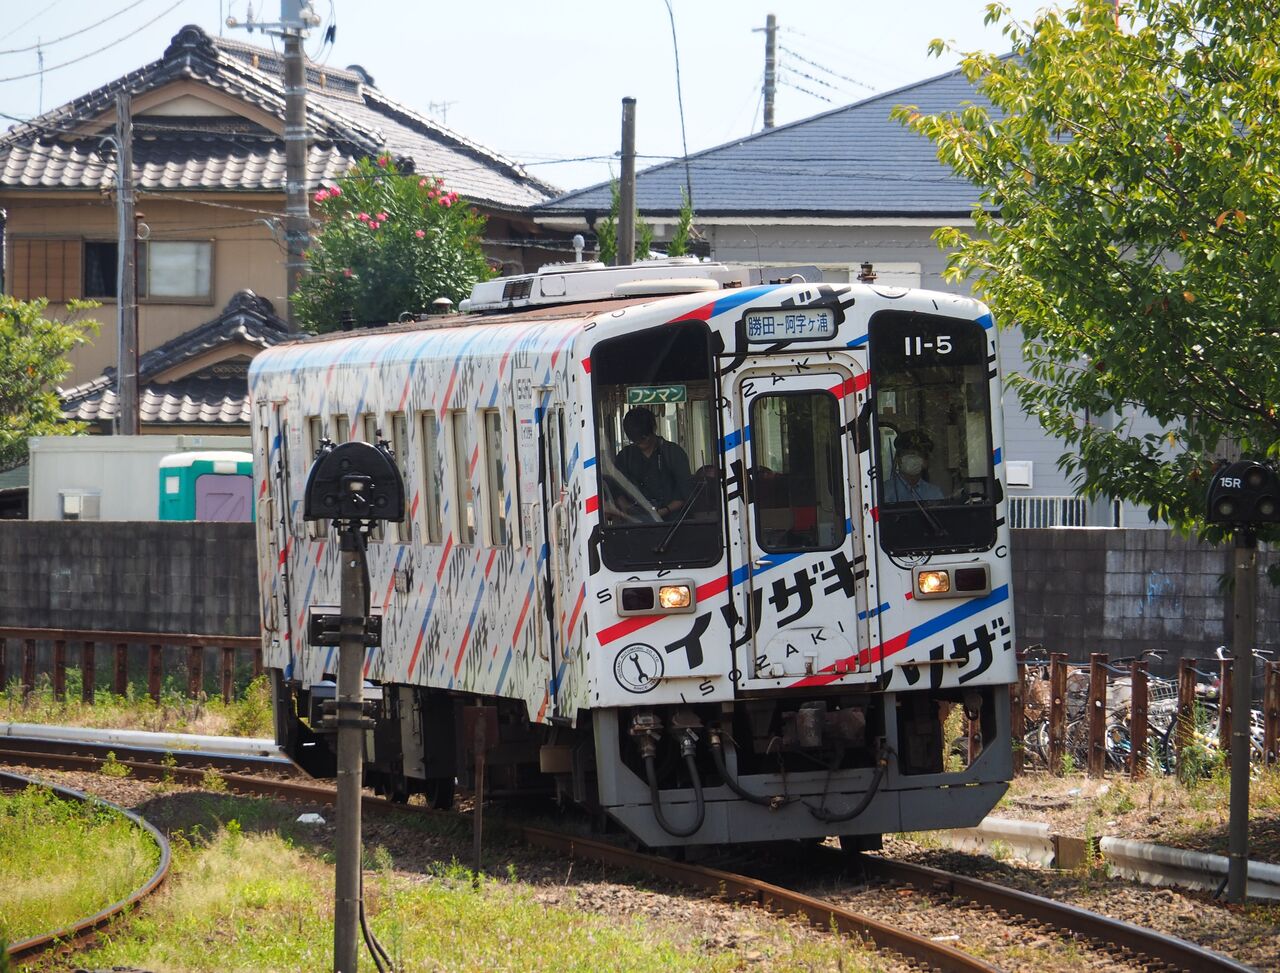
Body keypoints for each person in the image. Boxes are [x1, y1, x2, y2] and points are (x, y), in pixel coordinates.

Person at [610, 407, 692, 520]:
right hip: (634, 525)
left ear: (654, 428)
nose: (640, 443)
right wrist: (627, 508)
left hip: (672, 524)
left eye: (644, 438)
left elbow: (685, 491)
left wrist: (664, 511)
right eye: (635, 440)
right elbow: (615, 488)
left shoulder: (673, 453)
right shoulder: (625, 456)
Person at [883, 429, 944, 502]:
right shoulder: (885, 491)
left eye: (918, 454)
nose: (912, 459)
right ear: (898, 460)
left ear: (925, 462)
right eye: (908, 453)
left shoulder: (934, 493)